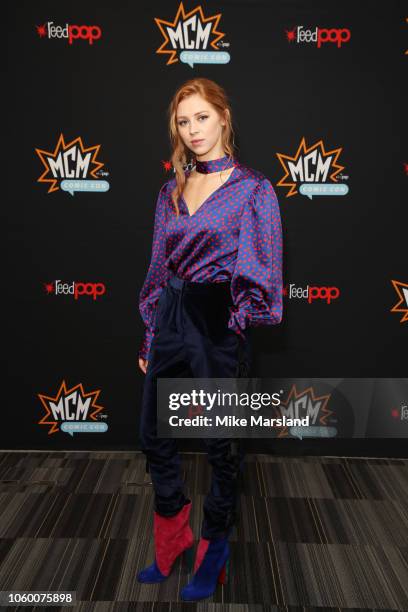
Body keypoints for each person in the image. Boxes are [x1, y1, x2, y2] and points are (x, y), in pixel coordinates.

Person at [136, 77, 283, 601]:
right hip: (172, 313)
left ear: (223, 117)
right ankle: (172, 537)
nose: (193, 130)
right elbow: (158, 264)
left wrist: (235, 324)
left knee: (221, 446)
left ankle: (213, 550)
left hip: (218, 319)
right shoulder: (171, 188)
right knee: (154, 435)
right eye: (183, 121)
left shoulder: (253, 190)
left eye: (202, 117)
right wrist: (153, 329)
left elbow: (262, 269)